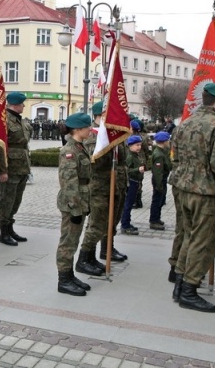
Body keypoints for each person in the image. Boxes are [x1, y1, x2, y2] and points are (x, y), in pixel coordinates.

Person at [169, 82, 215, 313]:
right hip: (205, 193)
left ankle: (179, 283)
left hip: (183, 189)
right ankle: (189, 290)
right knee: (203, 241)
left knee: (188, 236)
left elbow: (174, 158)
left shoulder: (185, 123)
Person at [76, 101, 128, 276]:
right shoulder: (94, 136)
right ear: (100, 116)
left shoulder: (110, 134)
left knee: (109, 222)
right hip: (99, 187)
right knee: (97, 224)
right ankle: (84, 258)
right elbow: (93, 163)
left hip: (114, 185)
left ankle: (95, 255)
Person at [55, 113, 93, 296]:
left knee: (73, 240)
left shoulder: (80, 146)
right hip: (72, 205)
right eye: (87, 127)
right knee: (67, 242)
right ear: (77, 129)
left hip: (81, 201)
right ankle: (63, 280)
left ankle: (69, 275)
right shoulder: (69, 151)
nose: (90, 130)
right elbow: (69, 183)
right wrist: (76, 208)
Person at [0, 92, 31, 246]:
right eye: (22, 103)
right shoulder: (4, 121)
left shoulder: (21, 121)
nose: (24, 106)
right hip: (10, 167)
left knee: (16, 200)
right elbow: (0, 148)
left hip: (22, 166)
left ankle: (10, 228)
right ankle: (3, 232)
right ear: (15, 104)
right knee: (6, 200)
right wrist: (2, 170)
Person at [120, 135, 144, 235]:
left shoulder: (135, 155)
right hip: (131, 182)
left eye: (140, 145)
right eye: (137, 145)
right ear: (130, 146)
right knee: (127, 205)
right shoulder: (130, 156)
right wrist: (137, 170)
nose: (139, 147)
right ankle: (125, 226)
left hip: (135, 182)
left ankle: (127, 223)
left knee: (129, 205)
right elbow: (127, 171)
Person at [149, 131, 172, 230]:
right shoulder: (159, 154)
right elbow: (158, 173)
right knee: (157, 201)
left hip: (161, 180)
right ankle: (153, 221)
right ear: (164, 141)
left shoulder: (162, 152)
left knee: (160, 200)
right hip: (159, 181)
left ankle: (157, 218)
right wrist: (159, 186)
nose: (169, 142)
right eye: (168, 140)